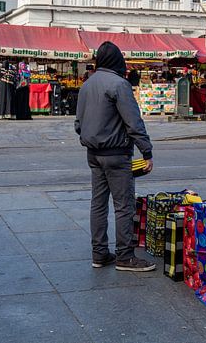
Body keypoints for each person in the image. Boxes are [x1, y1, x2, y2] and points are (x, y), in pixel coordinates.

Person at [74, 41, 155, 272]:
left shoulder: (87, 85)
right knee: (123, 205)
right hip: (117, 154)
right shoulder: (120, 84)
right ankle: (125, 256)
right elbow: (133, 121)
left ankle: (99, 254)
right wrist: (146, 151)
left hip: (93, 154)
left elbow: (78, 123)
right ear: (118, 61)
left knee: (98, 204)